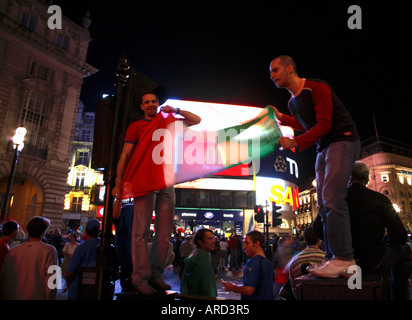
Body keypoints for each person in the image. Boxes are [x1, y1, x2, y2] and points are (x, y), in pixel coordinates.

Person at [269, 55, 360, 278]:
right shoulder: (292, 102)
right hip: (324, 148)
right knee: (322, 202)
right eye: (270, 73)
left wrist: (296, 142)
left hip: (343, 139)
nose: (272, 75)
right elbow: (305, 124)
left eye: (275, 70)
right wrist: (282, 117)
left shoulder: (316, 87)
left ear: (290, 68)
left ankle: (345, 259)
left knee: (332, 198)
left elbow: (325, 124)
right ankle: (331, 257)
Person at [112, 89, 201, 295]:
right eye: (147, 102)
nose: (151, 104)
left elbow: (196, 120)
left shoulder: (168, 122)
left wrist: (176, 109)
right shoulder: (136, 126)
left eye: (154, 101)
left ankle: (155, 274)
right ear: (141, 107)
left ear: (158, 104)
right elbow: (125, 155)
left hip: (166, 181)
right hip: (144, 181)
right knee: (140, 232)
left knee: (164, 233)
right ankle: (140, 277)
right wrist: (118, 181)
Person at [346, 161, 411, 299]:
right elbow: (400, 236)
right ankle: (398, 296)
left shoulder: (336, 201)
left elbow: (318, 230)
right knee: (406, 251)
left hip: (344, 260)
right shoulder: (380, 199)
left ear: (350, 177)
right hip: (373, 260)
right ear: (367, 179)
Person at [0, 216, 58, 300]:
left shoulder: (13, 251)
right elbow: (52, 281)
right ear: (44, 231)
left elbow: (3, 276)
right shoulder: (50, 251)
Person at [223, 230, 274, 300]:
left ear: (257, 244)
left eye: (247, 243)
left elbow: (249, 290)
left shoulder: (252, 263)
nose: (244, 247)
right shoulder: (268, 263)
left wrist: (232, 287)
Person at [285, 226, 325, 299]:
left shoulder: (295, 260)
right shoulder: (325, 259)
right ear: (319, 240)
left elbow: (293, 286)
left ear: (305, 240)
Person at [65, 218, 101, 300]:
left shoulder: (81, 248)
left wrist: (71, 287)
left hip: (79, 291)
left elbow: (69, 272)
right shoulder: (105, 247)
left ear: (86, 230)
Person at [180, 228, 217, 298]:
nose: (213, 241)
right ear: (200, 242)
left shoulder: (194, 253)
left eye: (213, 238)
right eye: (210, 239)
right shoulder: (203, 257)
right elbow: (207, 285)